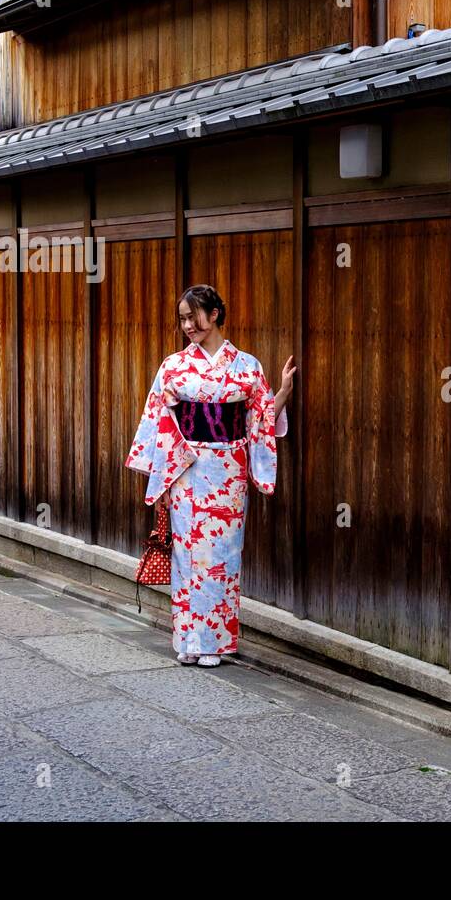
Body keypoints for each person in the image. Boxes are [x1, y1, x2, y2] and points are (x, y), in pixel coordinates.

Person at [124, 284, 296, 667]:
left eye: (194, 316)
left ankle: (216, 643)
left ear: (214, 314)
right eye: (183, 319)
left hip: (229, 472)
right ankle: (188, 639)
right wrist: (162, 476)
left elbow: (261, 417)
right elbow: (158, 420)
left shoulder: (247, 366)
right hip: (186, 468)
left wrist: (282, 391)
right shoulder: (173, 366)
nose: (188, 325)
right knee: (187, 555)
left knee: (223, 555)